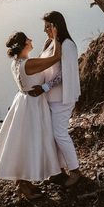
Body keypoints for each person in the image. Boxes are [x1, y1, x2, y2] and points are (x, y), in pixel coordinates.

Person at [0, 29, 64, 200]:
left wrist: (47, 41)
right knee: (29, 143)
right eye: (28, 38)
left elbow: (40, 61)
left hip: (22, 101)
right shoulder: (29, 64)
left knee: (22, 142)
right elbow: (56, 57)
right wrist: (57, 35)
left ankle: (24, 183)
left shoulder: (16, 62)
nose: (31, 39)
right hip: (33, 105)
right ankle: (23, 186)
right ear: (24, 44)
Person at [30, 11, 82, 187]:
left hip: (62, 98)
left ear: (56, 26)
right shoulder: (49, 44)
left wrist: (44, 87)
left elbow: (64, 75)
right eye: (44, 26)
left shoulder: (67, 45)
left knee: (60, 134)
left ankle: (75, 171)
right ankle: (57, 170)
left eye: (47, 26)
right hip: (49, 99)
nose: (45, 30)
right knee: (51, 136)